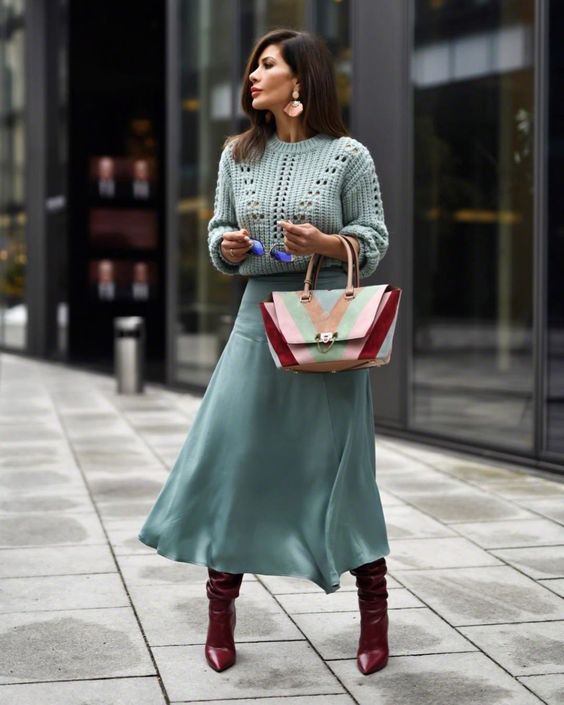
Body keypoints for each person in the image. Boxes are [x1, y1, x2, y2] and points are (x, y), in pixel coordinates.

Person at [137, 28, 391, 676]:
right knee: (235, 461)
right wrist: (224, 247)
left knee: (341, 469)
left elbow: (375, 237)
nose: (253, 74)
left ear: (300, 81)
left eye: (267, 64)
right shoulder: (237, 155)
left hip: (327, 326)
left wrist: (326, 244)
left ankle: (373, 611)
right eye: (254, 64)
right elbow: (220, 229)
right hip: (257, 320)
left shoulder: (348, 157)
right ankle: (220, 613)